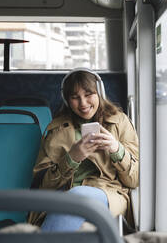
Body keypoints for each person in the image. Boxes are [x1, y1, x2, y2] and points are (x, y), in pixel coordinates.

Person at [27, 68, 139, 231]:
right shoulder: (56, 129)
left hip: (107, 193)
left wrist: (116, 150)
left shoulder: (120, 122)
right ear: (67, 100)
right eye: (75, 97)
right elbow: (41, 186)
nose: (83, 103)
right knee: (74, 198)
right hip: (63, 195)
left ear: (99, 92)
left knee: (78, 196)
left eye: (88, 95)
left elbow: (134, 179)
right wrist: (71, 158)